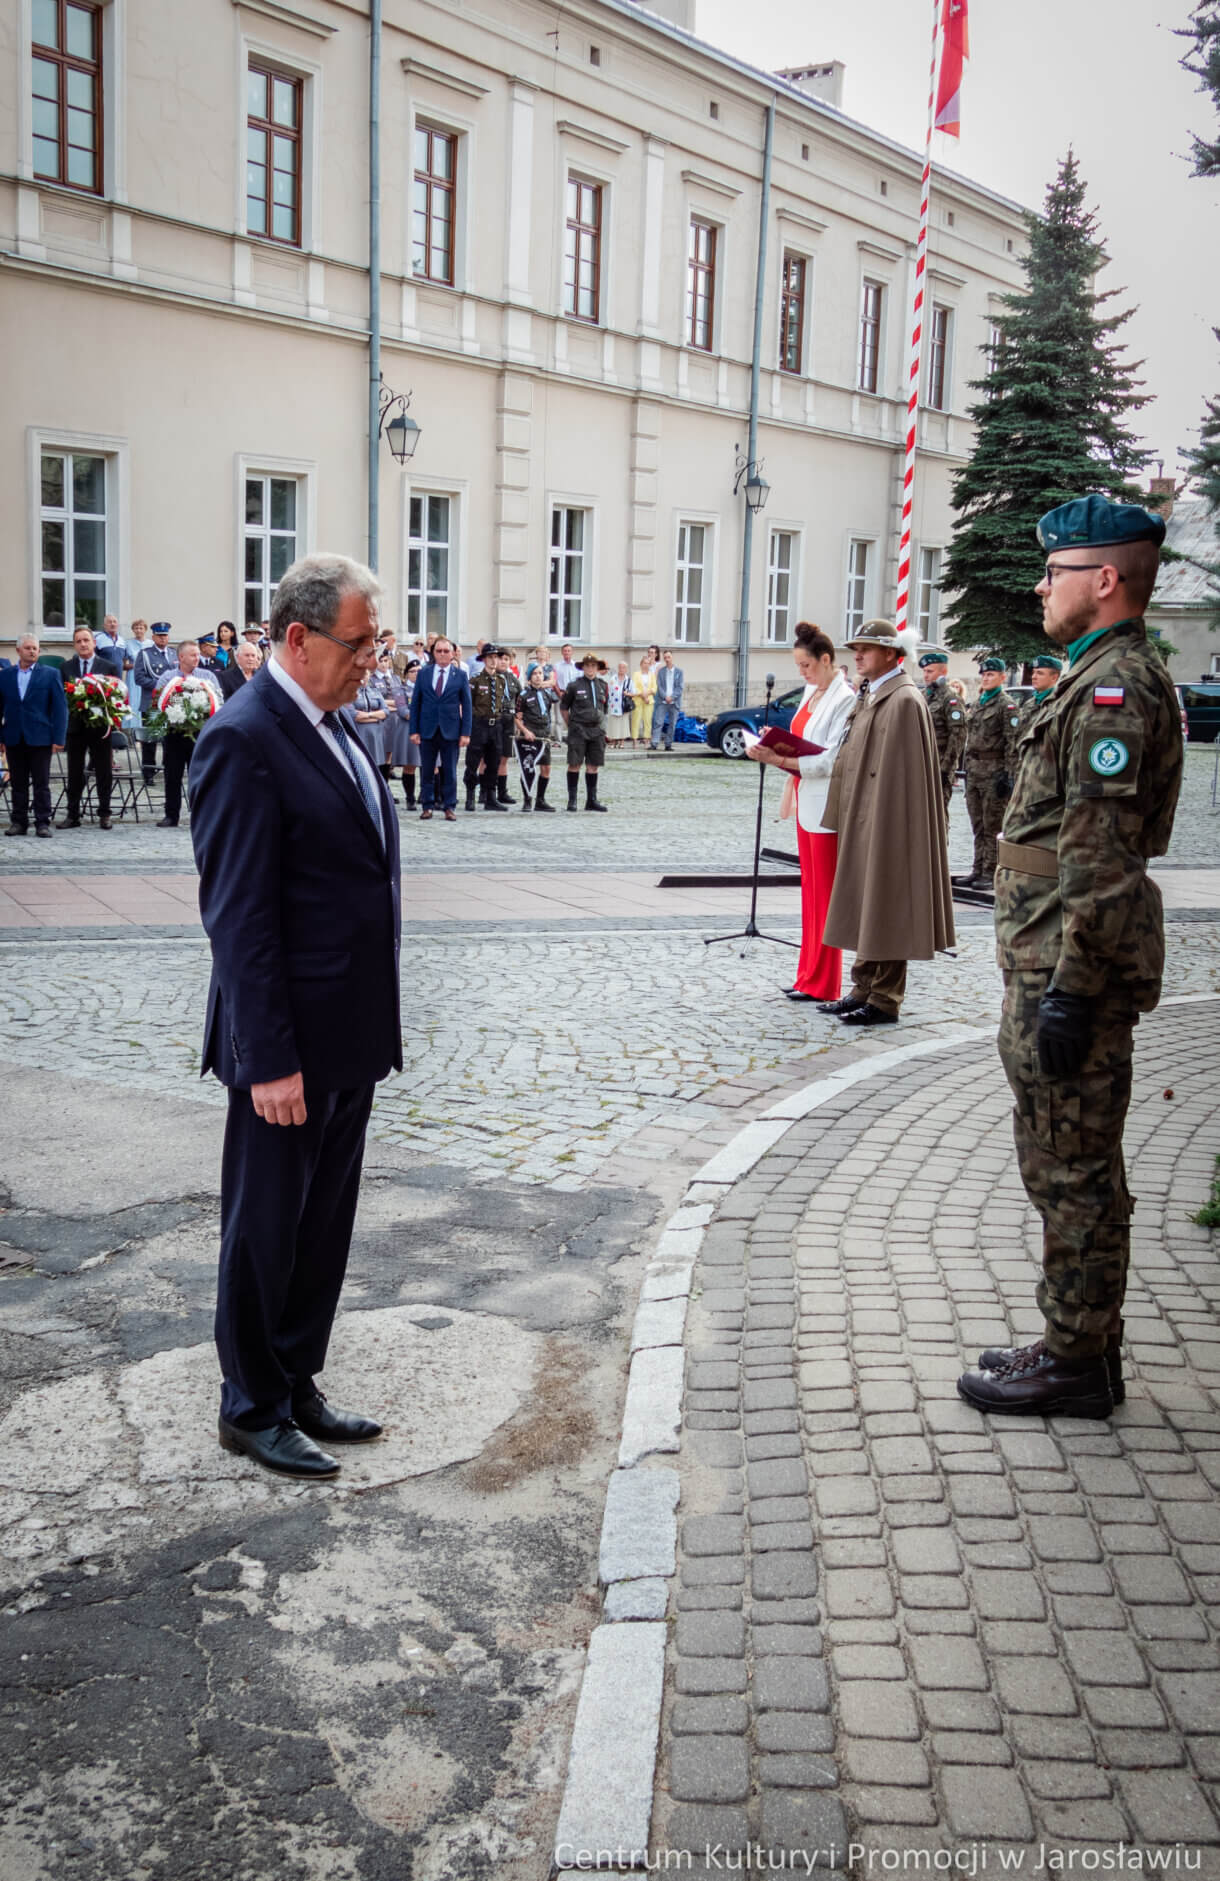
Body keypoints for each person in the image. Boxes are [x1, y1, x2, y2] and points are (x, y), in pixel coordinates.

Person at [957, 497, 1182, 1418]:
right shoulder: (1091, 677)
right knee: (1062, 1157)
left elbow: (1100, 860)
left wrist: (1071, 994)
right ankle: (1072, 1338)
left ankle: (1078, 1363)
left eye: (1056, 571)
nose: (1040, 585)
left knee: (1075, 1167)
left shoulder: (1114, 691)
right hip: (1046, 956)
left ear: (1105, 579)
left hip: (1066, 969)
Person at [189, 552, 399, 1480]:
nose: (372, 661)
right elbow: (238, 919)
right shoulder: (244, 735)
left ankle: (298, 1375)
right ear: (300, 636)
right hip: (286, 1044)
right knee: (265, 1223)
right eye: (360, 643)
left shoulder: (332, 720)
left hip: (348, 1029)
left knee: (322, 1222)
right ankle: (250, 1402)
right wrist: (267, 1057)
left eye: (377, 642)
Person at [818, 618, 955, 1026]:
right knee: (865, 898)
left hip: (890, 823)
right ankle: (863, 987)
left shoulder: (904, 700)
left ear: (892, 655)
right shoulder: (873, 694)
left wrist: (890, 822)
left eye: (866, 648)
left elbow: (905, 780)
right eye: (856, 648)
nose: (857, 655)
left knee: (888, 902)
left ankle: (884, 998)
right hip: (864, 816)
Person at [745, 624, 855, 1003]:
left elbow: (831, 758)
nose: (803, 673)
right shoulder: (813, 691)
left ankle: (826, 981)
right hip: (804, 794)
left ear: (827, 660)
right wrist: (771, 744)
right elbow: (802, 737)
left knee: (825, 896)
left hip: (825, 802)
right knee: (810, 893)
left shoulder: (844, 698)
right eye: (799, 666)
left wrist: (779, 757)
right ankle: (807, 975)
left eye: (807, 665)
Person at [962, 655, 1022, 888]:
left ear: (1002, 677)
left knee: (992, 824)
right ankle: (977, 869)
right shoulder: (979, 703)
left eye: (990, 675)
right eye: (984, 675)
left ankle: (991, 871)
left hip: (994, 772)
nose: (985, 678)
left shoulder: (1006, 706)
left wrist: (1008, 775)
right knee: (977, 825)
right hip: (976, 772)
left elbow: (1012, 743)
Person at [0, 634, 67, 838]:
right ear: (19, 650)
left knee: (41, 783)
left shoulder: (50, 674)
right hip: (13, 735)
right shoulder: (5, 675)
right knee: (18, 783)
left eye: (35, 648)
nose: (32, 651)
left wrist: (59, 738)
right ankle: (19, 822)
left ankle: (42, 822)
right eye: (28, 648)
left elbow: (60, 708)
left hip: (40, 736)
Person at [58, 625, 123, 830]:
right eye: (79, 641)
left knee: (104, 771)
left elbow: (116, 695)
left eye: (86, 640)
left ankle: (105, 814)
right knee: (75, 772)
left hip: (100, 727)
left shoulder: (108, 666)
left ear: (94, 643)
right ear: (74, 645)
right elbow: (62, 698)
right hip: (76, 728)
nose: (83, 644)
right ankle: (73, 814)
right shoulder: (66, 668)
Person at [155, 641, 222, 827]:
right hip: (174, 735)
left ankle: (201, 814)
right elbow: (158, 702)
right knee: (172, 776)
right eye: (193, 655)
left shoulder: (207, 676)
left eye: (198, 654)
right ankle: (171, 815)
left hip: (200, 735)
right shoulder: (167, 677)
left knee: (200, 776)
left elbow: (217, 700)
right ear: (181, 657)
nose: (197, 658)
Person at [407, 634, 472, 821]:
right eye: (439, 651)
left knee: (450, 771)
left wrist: (466, 732)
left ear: (452, 654)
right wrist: (414, 730)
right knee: (427, 770)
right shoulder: (424, 673)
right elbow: (416, 703)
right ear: (433, 653)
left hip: (451, 730)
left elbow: (467, 706)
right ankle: (427, 805)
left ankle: (449, 806)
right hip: (427, 729)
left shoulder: (460, 675)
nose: (442, 654)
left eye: (446, 651)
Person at [919, 646, 969, 810]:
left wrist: (945, 769)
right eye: (925, 671)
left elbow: (958, 736)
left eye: (930, 671)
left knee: (938, 814)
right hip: (922, 764)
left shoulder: (951, 698)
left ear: (943, 671)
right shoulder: (924, 696)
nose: (926, 675)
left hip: (940, 766)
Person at [465, 644, 511, 812]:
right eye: (490, 657)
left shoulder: (501, 680)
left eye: (496, 657)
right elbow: (468, 705)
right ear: (484, 659)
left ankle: (490, 797)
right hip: (479, 724)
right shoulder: (476, 680)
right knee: (473, 761)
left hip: (495, 725)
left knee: (494, 762)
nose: (494, 660)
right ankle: (470, 795)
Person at [562, 652, 610, 811]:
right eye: (587, 665)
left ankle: (591, 800)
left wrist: (603, 729)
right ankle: (572, 800)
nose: (590, 668)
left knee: (593, 765)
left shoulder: (602, 685)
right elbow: (564, 708)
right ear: (583, 667)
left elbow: (605, 709)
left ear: (597, 668)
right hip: (578, 730)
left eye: (593, 666)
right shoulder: (574, 685)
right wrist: (572, 725)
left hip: (596, 731)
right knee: (574, 764)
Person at [132, 622, 178, 783]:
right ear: (153, 637)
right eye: (159, 635)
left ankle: (168, 769)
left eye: (165, 635)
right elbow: (139, 678)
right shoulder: (145, 654)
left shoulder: (173, 654)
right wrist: (161, 686)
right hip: (151, 702)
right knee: (150, 740)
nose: (163, 638)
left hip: (171, 704)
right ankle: (148, 772)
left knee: (170, 740)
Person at [515, 663, 557, 811]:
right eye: (535, 674)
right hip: (530, 735)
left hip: (543, 735)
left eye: (540, 673)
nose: (538, 676)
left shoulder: (547, 694)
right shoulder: (523, 695)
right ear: (530, 677)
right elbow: (517, 718)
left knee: (546, 768)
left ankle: (540, 800)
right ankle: (527, 800)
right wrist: (525, 731)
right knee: (528, 767)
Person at [1018, 652, 1064, 728]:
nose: (1033, 677)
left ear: (1054, 677)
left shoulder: (1060, 703)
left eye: (1040, 673)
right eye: (1033, 673)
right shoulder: (1030, 703)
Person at [651, 650, 685, 750]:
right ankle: (654, 743)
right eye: (665, 657)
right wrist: (665, 696)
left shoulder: (679, 672)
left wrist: (672, 697)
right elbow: (659, 686)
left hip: (674, 702)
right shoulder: (661, 672)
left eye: (668, 657)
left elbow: (680, 687)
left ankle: (668, 744)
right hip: (663, 701)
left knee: (672, 723)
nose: (667, 659)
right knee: (658, 722)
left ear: (672, 657)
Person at [629, 653, 656, 747]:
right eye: (644, 663)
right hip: (638, 700)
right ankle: (635, 740)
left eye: (648, 663)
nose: (646, 665)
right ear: (641, 664)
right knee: (636, 720)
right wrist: (642, 696)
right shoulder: (636, 674)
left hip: (649, 701)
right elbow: (634, 687)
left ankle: (646, 740)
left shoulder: (652, 675)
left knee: (647, 721)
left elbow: (654, 688)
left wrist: (647, 695)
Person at [606, 661, 631, 747]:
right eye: (620, 667)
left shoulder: (629, 680)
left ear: (626, 669)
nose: (621, 669)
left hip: (624, 705)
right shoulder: (613, 678)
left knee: (623, 724)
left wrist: (627, 694)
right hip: (613, 705)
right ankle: (613, 741)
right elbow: (608, 690)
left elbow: (634, 692)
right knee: (614, 723)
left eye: (623, 667)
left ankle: (622, 742)